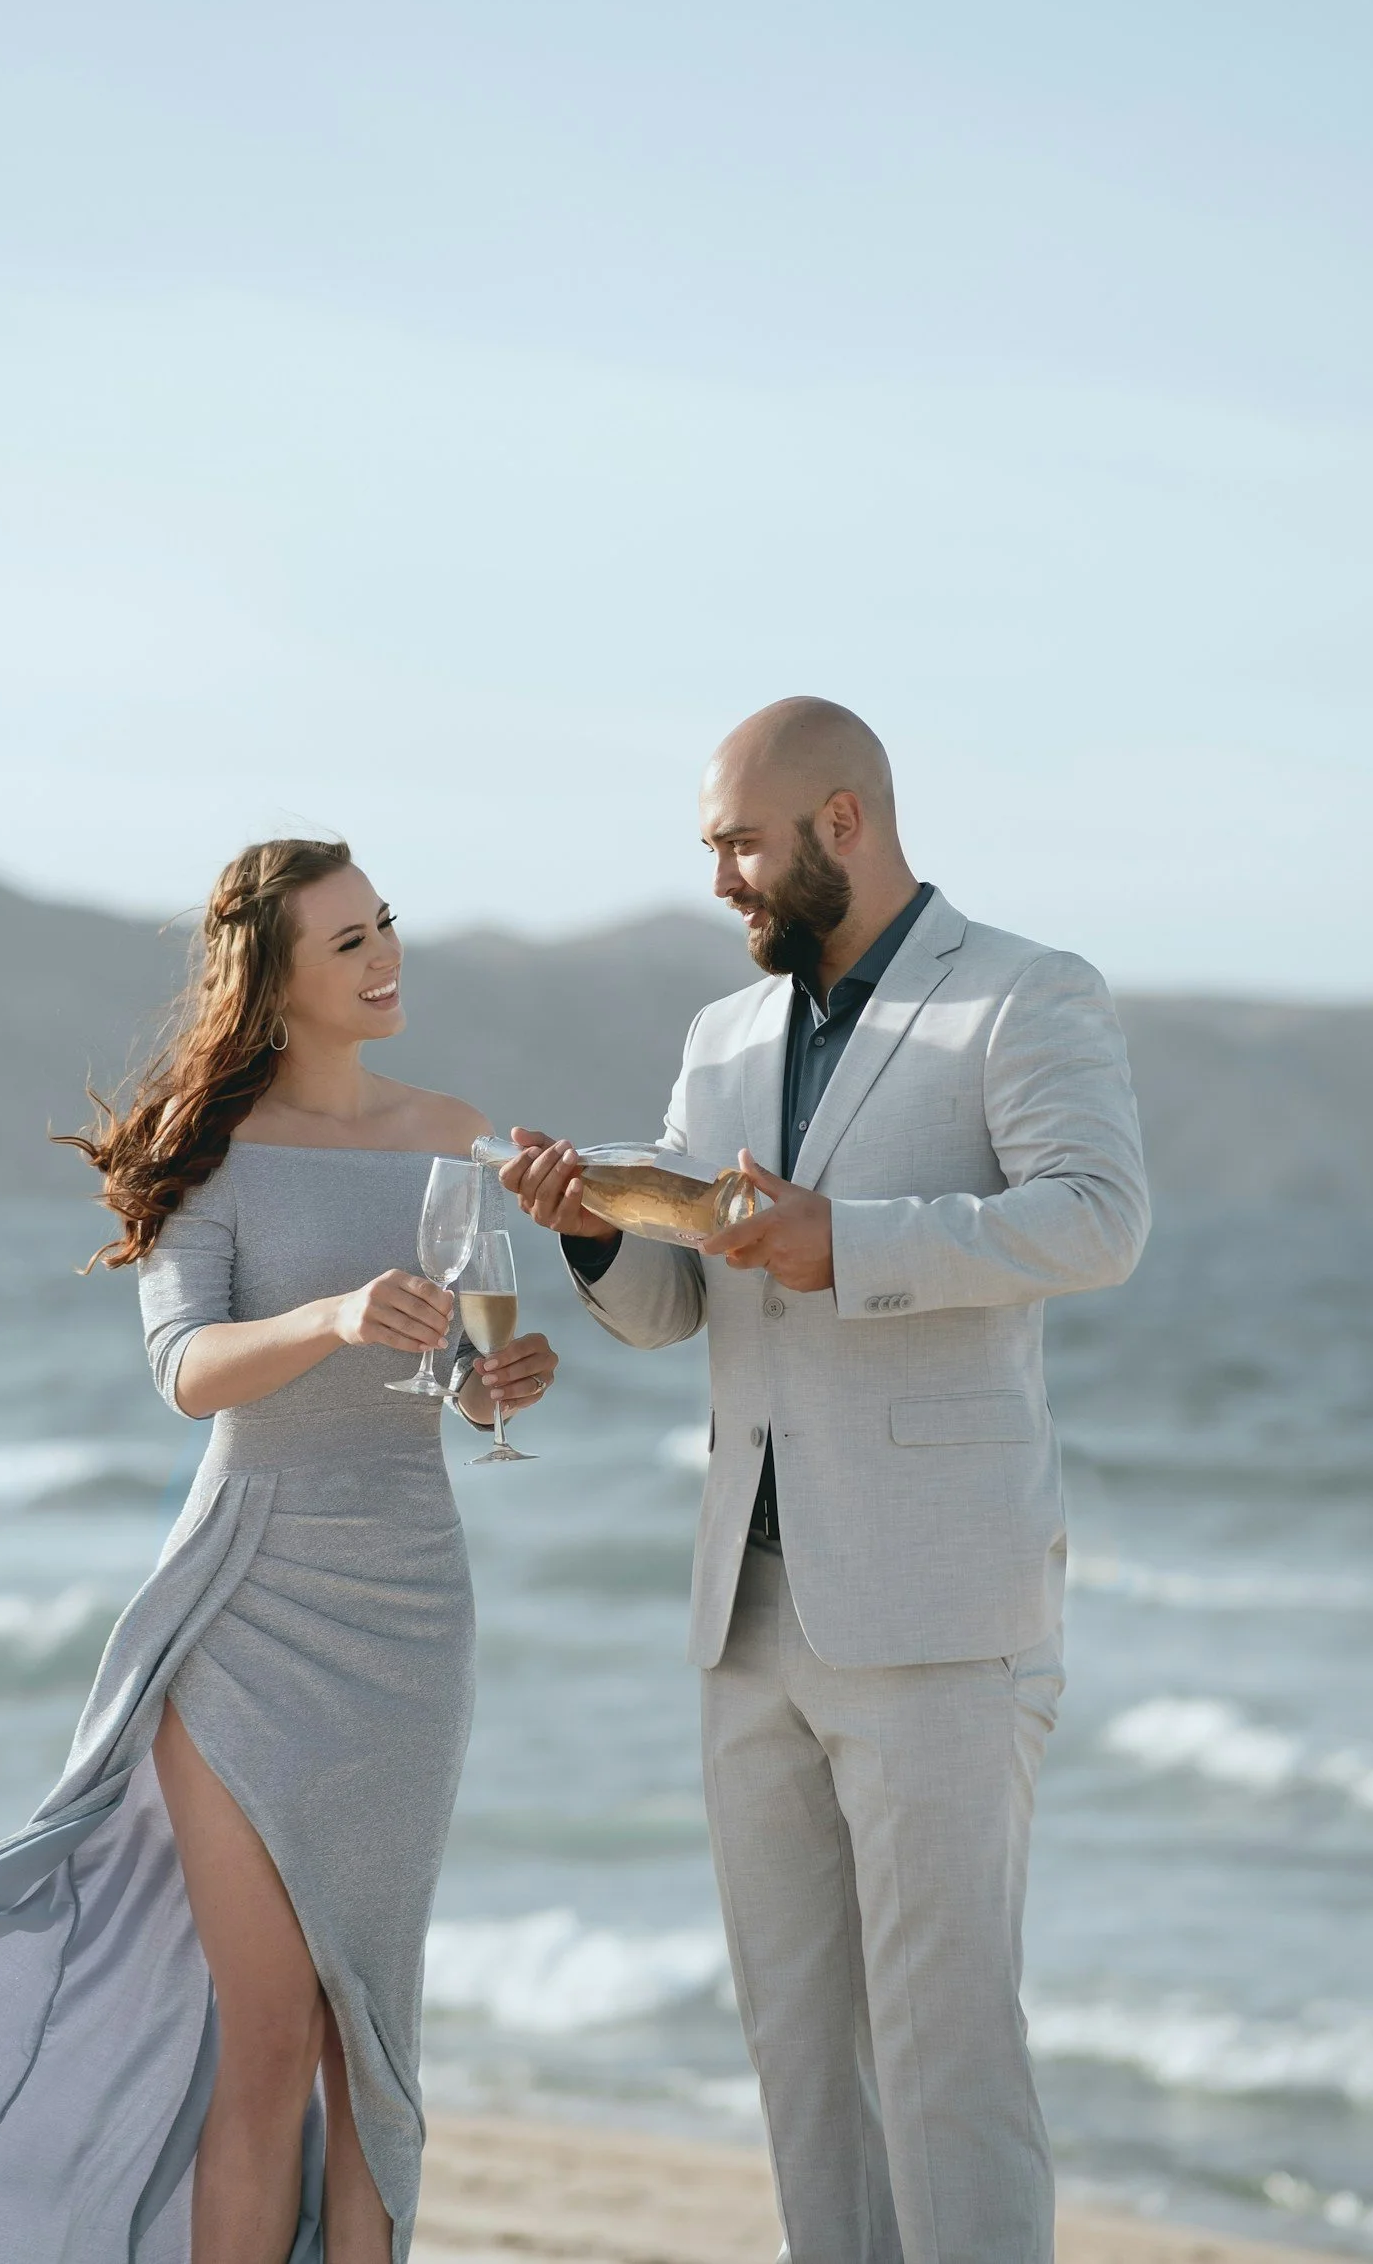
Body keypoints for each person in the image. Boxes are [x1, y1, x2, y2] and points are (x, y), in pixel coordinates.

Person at [0, 837, 558, 2264]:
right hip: (245, 1602)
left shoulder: (452, 1131)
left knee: (373, 2039)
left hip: (411, 1609)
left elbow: (444, 1353)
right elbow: (188, 1368)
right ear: (273, 980)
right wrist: (332, 1316)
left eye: (385, 925)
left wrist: (484, 1383)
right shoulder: (204, 1154)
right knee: (268, 2041)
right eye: (348, 943)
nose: (387, 956)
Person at [504, 699, 1149, 2264]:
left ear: (843, 822)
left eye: (742, 840)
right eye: (712, 845)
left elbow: (1097, 1219)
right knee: (800, 2061)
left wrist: (847, 1238)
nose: (722, 873)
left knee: (947, 2059)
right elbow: (678, 1311)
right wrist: (592, 1227)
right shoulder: (719, 1042)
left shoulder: (1023, 994)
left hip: (941, 1609)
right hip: (750, 1611)